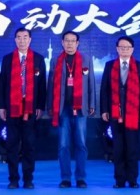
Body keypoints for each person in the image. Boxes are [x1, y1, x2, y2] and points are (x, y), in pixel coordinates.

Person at [0, 28, 47, 189]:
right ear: (15, 40)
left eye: (25, 37)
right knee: (12, 145)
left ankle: (28, 179)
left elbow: (42, 86)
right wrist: (2, 106)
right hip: (12, 108)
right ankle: (13, 179)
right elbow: (2, 84)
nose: (22, 40)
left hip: (31, 108)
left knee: (29, 145)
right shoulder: (7, 59)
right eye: (19, 37)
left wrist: (40, 105)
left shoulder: (38, 59)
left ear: (30, 40)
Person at [48, 31, 96, 189]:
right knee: (63, 146)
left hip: (81, 109)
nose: (69, 43)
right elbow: (50, 86)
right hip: (62, 109)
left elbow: (91, 84)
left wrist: (92, 104)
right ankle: (66, 178)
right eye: (67, 41)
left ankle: (81, 178)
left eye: (72, 41)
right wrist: (50, 106)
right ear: (62, 43)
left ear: (77, 43)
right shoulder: (56, 60)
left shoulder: (86, 60)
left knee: (81, 144)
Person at [100, 36, 140, 189]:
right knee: (118, 148)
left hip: (134, 114)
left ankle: (133, 180)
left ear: (132, 49)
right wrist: (104, 110)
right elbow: (104, 90)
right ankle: (119, 180)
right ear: (117, 49)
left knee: (132, 148)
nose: (124, 49)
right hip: (115, 113)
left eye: (127, 47)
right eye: (122, 47)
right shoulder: (109, 66)